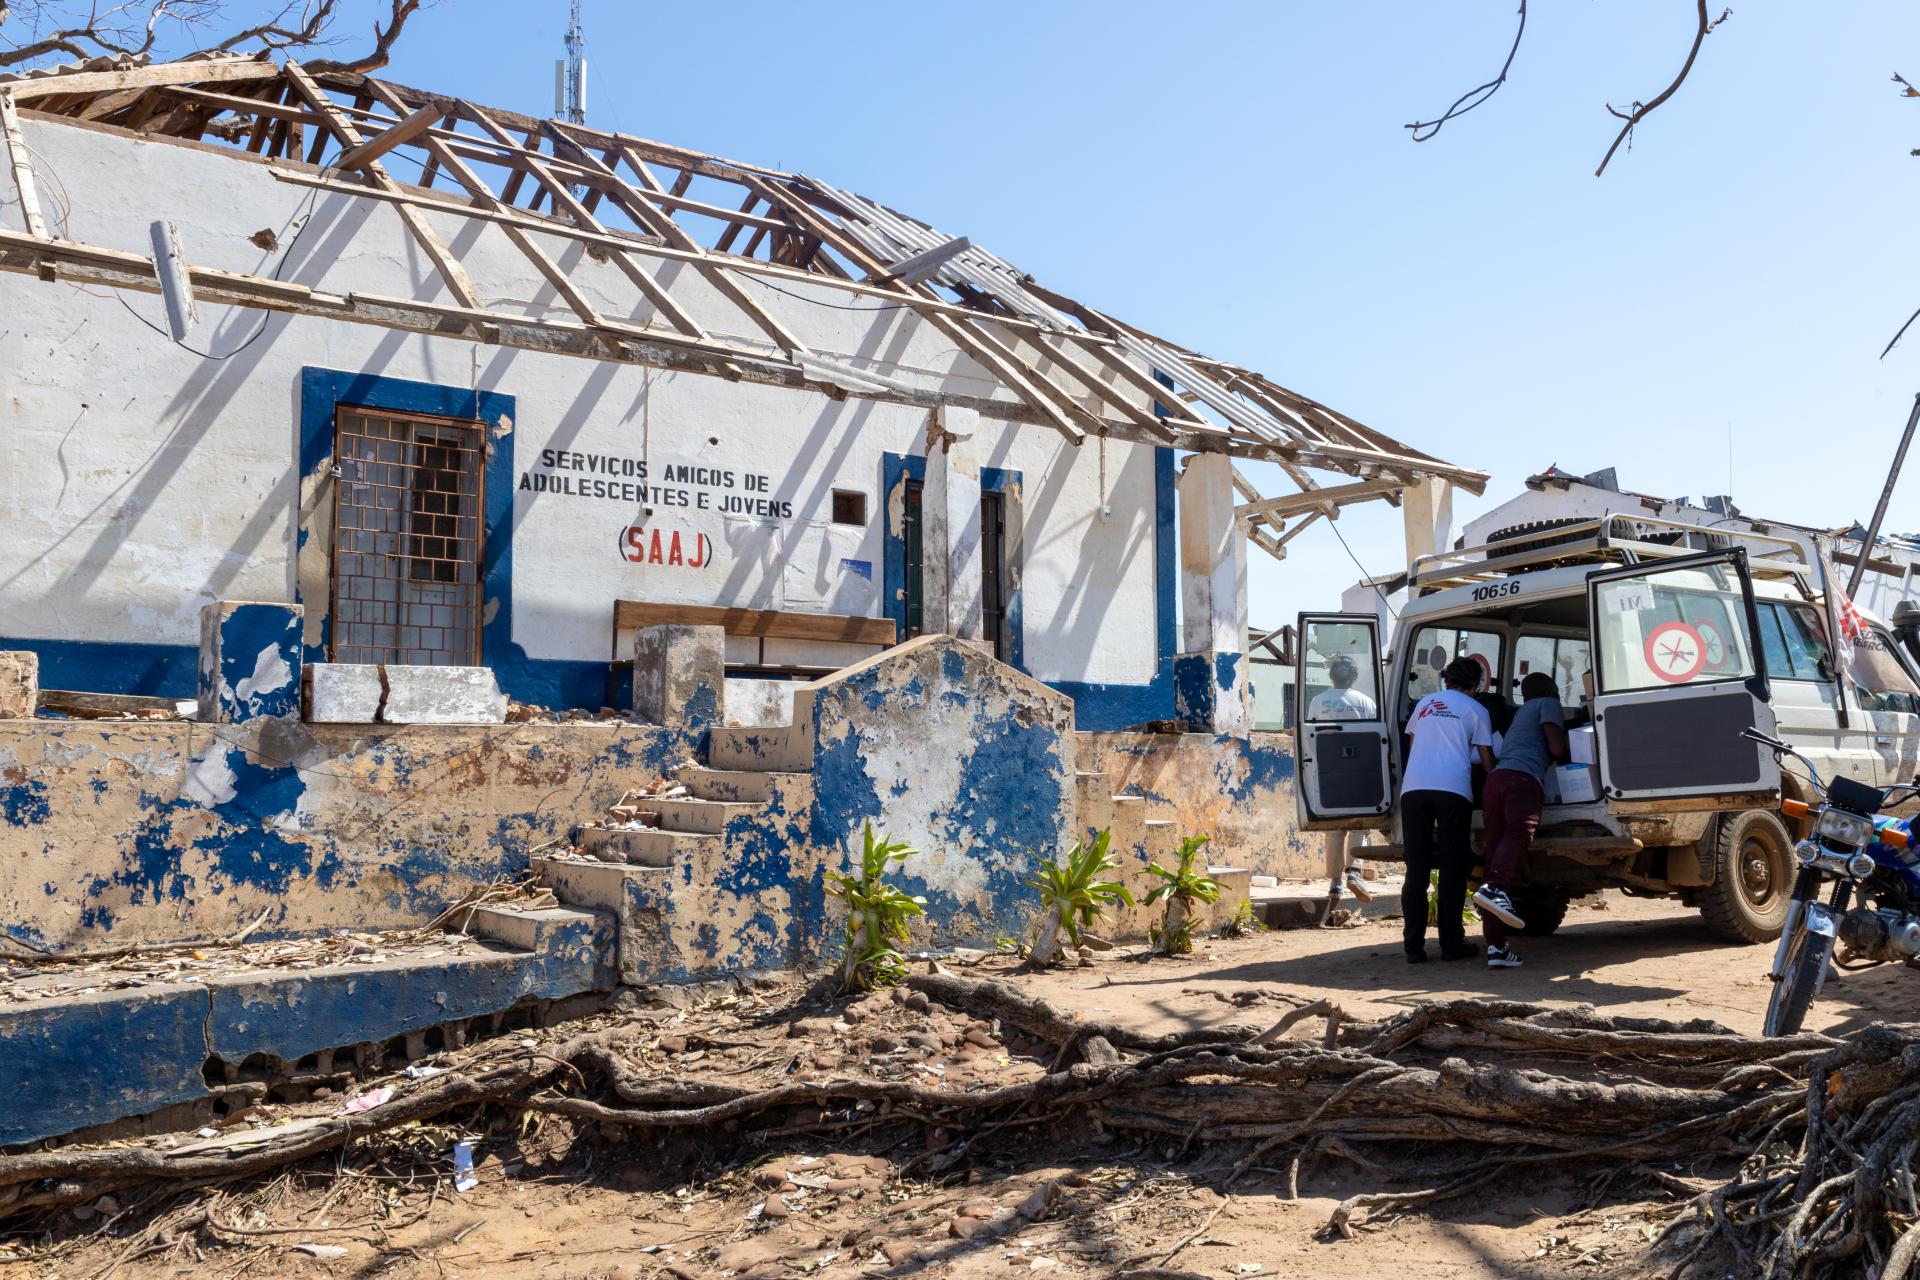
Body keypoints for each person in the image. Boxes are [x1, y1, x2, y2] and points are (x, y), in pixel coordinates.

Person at [1472, 672, 1570, 968]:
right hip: (1522, 779)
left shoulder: (1522, 712)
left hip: (1496, 780)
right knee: (1520, 832)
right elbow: (1556, 749)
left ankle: (1497, 948)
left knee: (1495, 851)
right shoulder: (1547, 703)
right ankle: (1495, 888)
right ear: (1551, 689)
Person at [1400, 658, 1495, 963]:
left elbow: (1414, 745)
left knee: (1416, 870)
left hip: (1413, 789)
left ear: (1446, 679)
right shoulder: (1477, 710)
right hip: (1453, 790)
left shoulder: (1424, 704)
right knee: (1453, 868)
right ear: (1477, 684)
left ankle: (1413, 948)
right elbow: (1486, 758)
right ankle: (1451, 946)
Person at [1308, 656, 1382, 905]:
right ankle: (1354, 871)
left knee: (1334, 828)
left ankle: (1335, 883)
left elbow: (1309, 738)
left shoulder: (1318, 702)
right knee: (1359, 823)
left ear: (1331, 677)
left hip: (1328, 773)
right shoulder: (1366, 703)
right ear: (1353, 677)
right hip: (1359, 771)